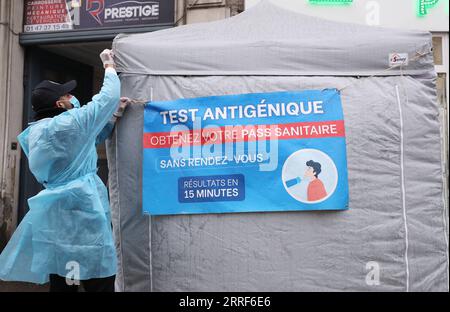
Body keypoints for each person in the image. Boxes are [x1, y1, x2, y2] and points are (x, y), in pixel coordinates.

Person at [0, 49, 128, 292]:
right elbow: (108, 96)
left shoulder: (37, 132)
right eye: (68, 95)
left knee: (66, 276)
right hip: (84, 214)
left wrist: (111, 118)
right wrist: (109, 66)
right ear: (60, 104)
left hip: (59, 221)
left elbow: (87, 142)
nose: (72, 96)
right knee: (99, 279)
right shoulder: (68, 123)